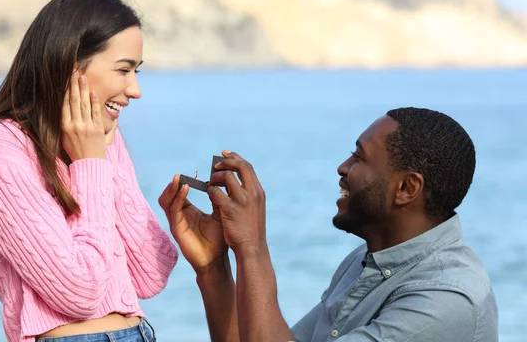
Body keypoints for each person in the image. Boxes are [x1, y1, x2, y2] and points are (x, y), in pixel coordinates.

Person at [0, 0, 178, 342]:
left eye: (137, 72)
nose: (135, 89)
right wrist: (90, 164)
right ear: (72, 67)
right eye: (123, 70)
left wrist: (102, 159)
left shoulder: (99, 138)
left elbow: (151, 272)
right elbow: (80, 292)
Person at [159, 107, 498, 342]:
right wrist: (213, 266)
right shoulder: (367, 261)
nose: (342, 167)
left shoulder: (445, 297)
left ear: (407, 188)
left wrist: (251, 247)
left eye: (359, 157)